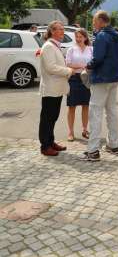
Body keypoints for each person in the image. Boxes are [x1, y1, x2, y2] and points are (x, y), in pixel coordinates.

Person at [81, 11, 118, 162]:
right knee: (111, 111)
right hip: (114, 77)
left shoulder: (101, 35)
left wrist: (87, 66)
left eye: (94, 21)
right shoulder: (116, 35)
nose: (93, 23)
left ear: (100, 20)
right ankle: (113, 144)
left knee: (95, 112)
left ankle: (93, 150)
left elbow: (97, 58)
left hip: (101, 78)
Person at [38, 21, 75, 156]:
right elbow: (51, 68)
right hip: (50, 89)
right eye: (60, 29)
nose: (62, 32)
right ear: (52, 31)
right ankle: (45, 146)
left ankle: (50, 141)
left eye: (63, 29)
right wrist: (68, 71)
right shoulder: (48, 46)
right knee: (47, 118)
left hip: (57, 88)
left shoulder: (54, 46)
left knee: (53, 117)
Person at [65, 28, 92, 141]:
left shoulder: (91, 49)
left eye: (80, 36)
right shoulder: (71, 49)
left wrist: (86, 67)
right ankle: (70, 132)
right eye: (76, 37)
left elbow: (93, 63)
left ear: (85, 37)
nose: (78, 38)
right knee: (72, 106)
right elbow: (68, 64)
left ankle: (85, 129)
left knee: (86, 105)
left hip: (87, 79)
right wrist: (80, 66)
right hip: (74, 78)